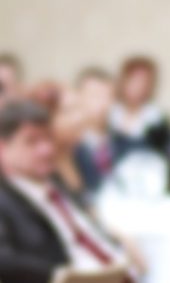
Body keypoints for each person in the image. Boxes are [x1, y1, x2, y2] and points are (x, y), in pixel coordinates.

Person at [0, 99, 136, 283]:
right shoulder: (5, 199)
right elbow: (5, 261)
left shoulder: (55, 182)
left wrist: (119, 246)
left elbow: (89, 230)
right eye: (31, 142)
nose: (46, 150)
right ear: (3, 148)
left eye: (48, 138)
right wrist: (61, 274)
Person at [108, 55, 170, 158]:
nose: (139, 87)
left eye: (145, 82)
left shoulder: (158, 119)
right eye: (135, 80)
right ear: (123, 81)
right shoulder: (108, 114)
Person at [71, 68, 120, 196]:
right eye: (95, 96)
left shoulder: (125, 143)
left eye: (109, 96)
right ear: (77, 97)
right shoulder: (68, 147)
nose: (102, 103)